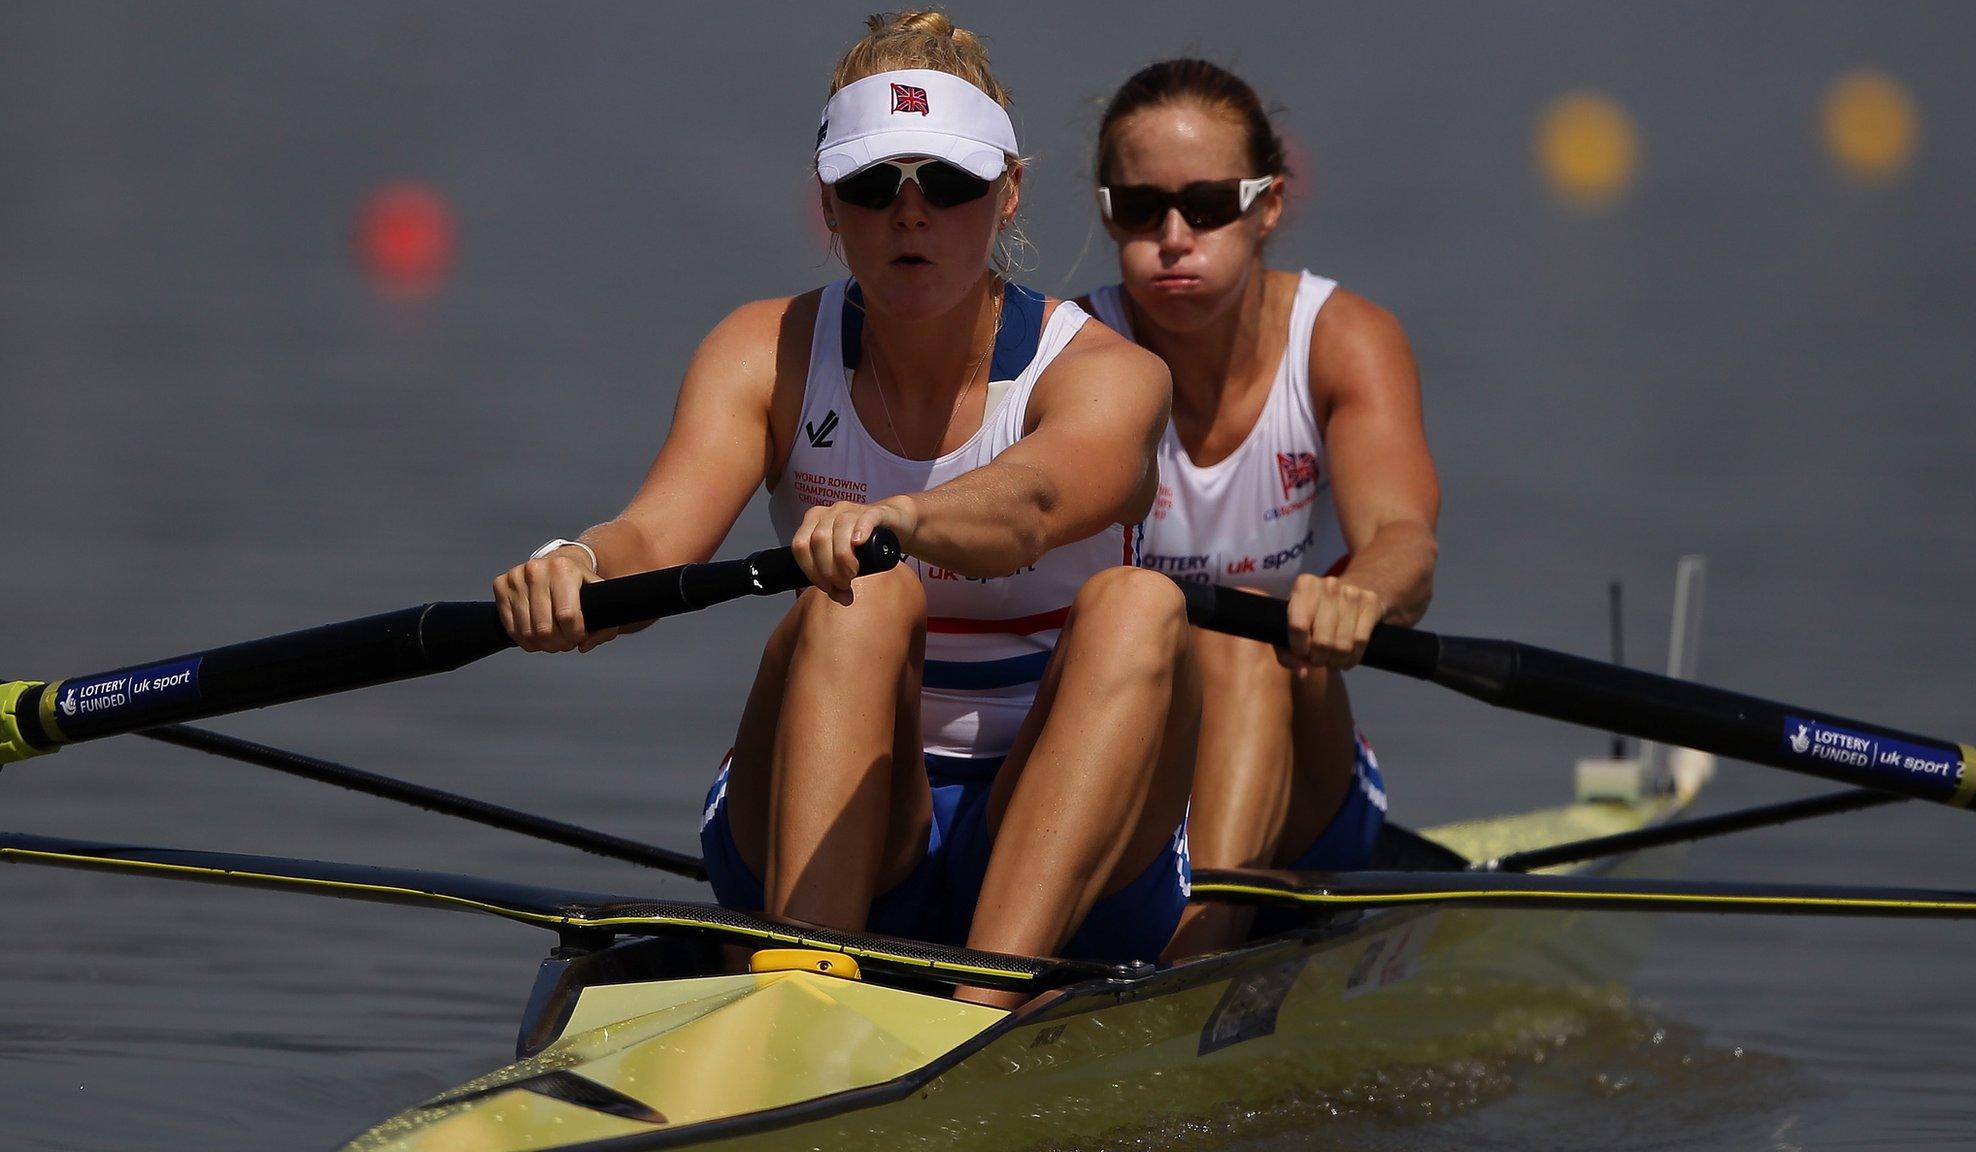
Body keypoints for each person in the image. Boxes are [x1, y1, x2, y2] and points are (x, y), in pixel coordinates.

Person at [493, 13, 1198, 996]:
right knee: (868, 597)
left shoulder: (1105, 373)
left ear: (1008, 192)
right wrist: (577, 565)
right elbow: (653, 539)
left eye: (946, 184)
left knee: (1141, 608)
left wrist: (903, 520)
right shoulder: (764, 349)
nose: (909, 216)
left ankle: (982, 1003)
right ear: (828, 202)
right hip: (832, 820)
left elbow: (1032, 502)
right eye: (873, 186)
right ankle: (800, 993)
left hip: (1078, 849)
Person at [1081, 59, 1441, 958]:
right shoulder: (1071, 355)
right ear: (1105, 212)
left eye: (1206, 206)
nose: (1172, 236)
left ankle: (1191, 968)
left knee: (1248, 638)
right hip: (1131, 771)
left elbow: (1403, 540)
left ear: (1268, 206)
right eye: (1139, 208)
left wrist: (1361, 592)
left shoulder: (1343, 340)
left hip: (1310, 792)